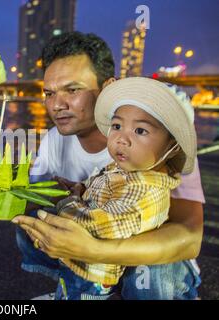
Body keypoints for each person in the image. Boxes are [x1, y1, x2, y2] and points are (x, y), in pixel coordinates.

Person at [12, 32, 204, 300]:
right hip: (95, 251)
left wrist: (90, 250)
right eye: (49, 93)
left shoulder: (162, 141)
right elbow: (36, 201)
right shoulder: (54, 141)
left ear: (107, 87)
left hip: (146, 259)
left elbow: (190, 238)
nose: (57, 105)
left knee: (150, 272)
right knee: (32, 224)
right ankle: (92, 286)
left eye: (73, 89)